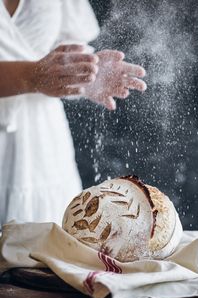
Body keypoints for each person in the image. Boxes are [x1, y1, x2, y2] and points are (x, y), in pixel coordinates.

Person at [0, 0, 146, 227]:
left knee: (54, 250)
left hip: (45, 153)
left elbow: (61, 48)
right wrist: (30, 77)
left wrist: (85, 75)